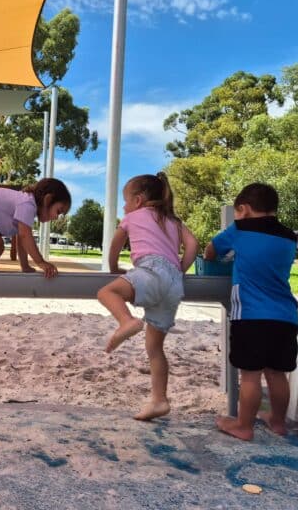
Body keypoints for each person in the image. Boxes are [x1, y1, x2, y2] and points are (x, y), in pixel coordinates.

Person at [97, 172, 198, 421]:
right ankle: (159, 400)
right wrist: (179, 270)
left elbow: (115, 244)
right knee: (155, 348)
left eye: (126, 201)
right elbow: (193, 245)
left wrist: (112, 269)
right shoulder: (173, 220)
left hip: (150, 270)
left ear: (139, 200)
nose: (124, 206)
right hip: (174, 283)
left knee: (107, 291)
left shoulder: (133, 217)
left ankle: (126, 321)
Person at [204, 182, 298, 441]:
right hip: (285, 316)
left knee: (250, 376)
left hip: (251, 315)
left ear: (243, 209)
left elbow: (211, 250)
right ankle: (278, 422)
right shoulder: (289, 237)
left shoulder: (239, 229)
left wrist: (218, 257)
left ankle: (243, 426)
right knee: (277, 373)